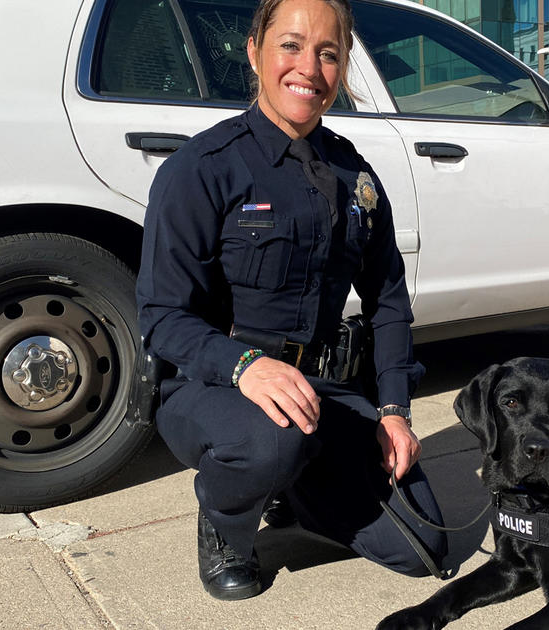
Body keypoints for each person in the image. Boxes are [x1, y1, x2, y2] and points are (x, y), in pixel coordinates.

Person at [136, 0, 447, 601]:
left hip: (319, 389)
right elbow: (161, 317)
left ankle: (294, 480)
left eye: (329, 53)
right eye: (291, 45)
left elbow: (387, 301)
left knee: (422, 548)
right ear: (254, 52)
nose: (310, 66)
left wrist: (393, 412)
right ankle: (226, 519)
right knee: (267, 440)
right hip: (214, 387)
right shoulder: (201, 169)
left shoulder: (354, 175)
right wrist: (245, 367)